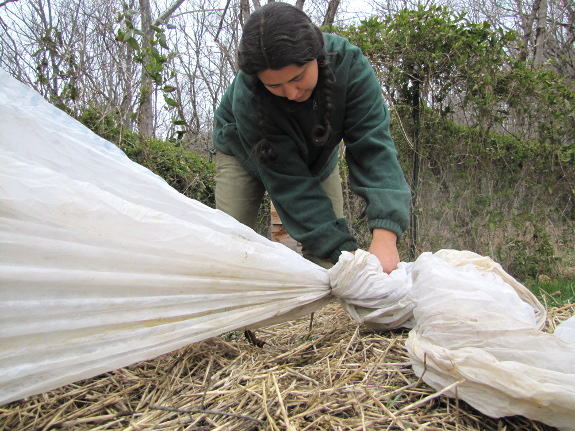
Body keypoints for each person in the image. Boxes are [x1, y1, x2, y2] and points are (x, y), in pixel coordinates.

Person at [213, 2, 410, 273]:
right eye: (275, 86)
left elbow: (372, 148)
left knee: (331, 256)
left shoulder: (348, 65)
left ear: (317, 55)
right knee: (233, 242)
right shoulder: (247, 98)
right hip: (244, 151)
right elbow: (291, 187)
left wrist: (384, 237)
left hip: (318, 152)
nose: (292, 93)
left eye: (298, 77)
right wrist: (347, 253)